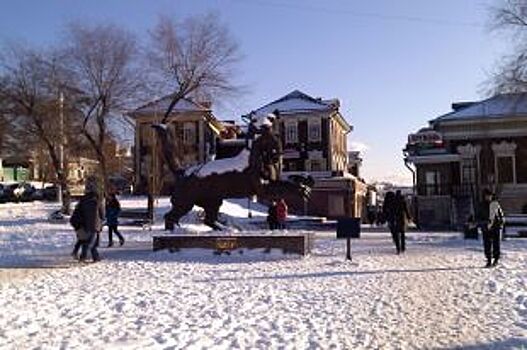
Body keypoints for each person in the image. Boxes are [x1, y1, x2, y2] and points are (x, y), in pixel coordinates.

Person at [75, 177, 105, 262]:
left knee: (88, 241)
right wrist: (102, 220)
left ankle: (96, 257)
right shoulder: (98, 200)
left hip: (85, 224)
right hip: (95, 224)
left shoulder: (83, 200)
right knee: (91, 243)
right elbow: (102, 213)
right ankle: (83, 257)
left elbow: (79, 211)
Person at [477, 189, 504, 268]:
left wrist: (501, 222)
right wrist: (483, 222)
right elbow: (478, 217)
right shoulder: (481, 205)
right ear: (484, 196)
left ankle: (496, 259)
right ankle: (488, 260)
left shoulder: (495, 204)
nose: (488, 197)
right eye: (487, 196)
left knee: (496, 244)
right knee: (487, 245)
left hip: (495, 227)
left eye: (490, 196)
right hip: (486, 227)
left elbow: (500, 215)